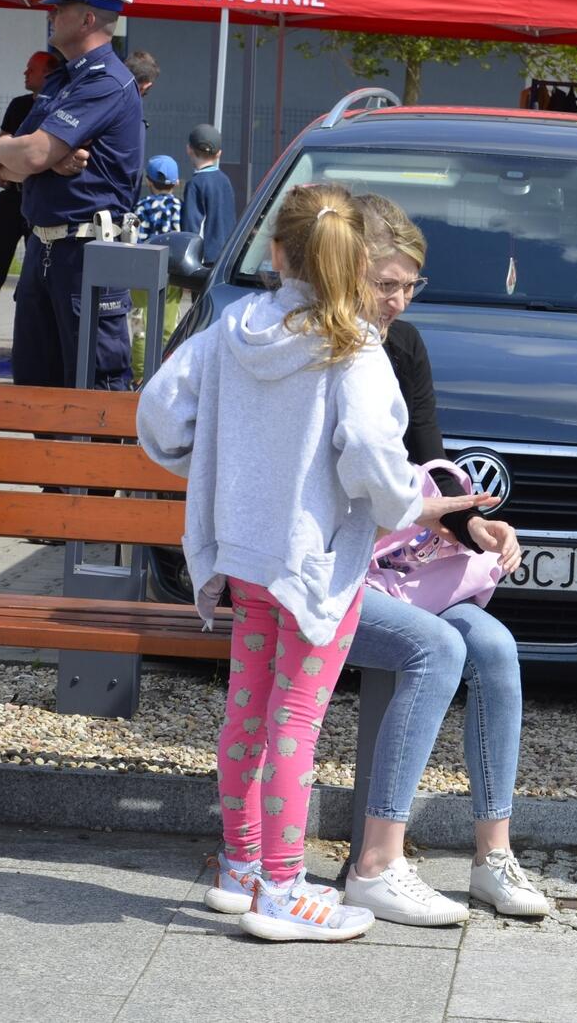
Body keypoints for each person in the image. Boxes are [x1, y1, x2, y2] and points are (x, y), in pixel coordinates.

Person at [135, 184, 493, 942]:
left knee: (247, 710)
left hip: (243, 555)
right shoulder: (352, 348)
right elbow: (372, 459)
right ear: (354, 260)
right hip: (315, 565)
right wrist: (409, 505)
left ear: (276, 252)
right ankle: (284, 888)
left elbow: (160, 414)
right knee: (295, 719)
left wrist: (219, 464)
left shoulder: (234, 328)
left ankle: (241, 869)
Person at [339, 192, 549, 925]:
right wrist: (427, 514)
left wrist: (474, 525)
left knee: (495, 647)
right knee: (437, 649)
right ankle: (378, 861)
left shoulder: (402, 346)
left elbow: (429, 461)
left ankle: (492, 856)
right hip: (337, 569)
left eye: (409, 286)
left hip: (395, 568)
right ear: (347, 269)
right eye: (384, 284)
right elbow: (354, 488)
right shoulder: (329, 350)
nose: (397, 301)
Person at [0, 0, 143, 392]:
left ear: (87, 19)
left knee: (95, 390)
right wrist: (0, 150)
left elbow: (31, 153)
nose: (50, 13)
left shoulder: (106, 82)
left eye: (60, 7)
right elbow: (11, 162)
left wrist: (30, 157)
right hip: (43, 247)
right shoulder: (61, 80)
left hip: (86, 251)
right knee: (34, 387)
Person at [0, 50, 58, 337]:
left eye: (31, 69)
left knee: (36, 270)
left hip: (39, 202)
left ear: (48, 75)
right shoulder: (18, 105)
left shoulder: (58, 109)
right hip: (13, 198)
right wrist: (2, 168)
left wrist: (12, 163)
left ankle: (30, 337)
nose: (25, 74)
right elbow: (1, 149)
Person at [128, 154, 182, 380]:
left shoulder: (140, 206)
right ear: (176, 182)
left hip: (142, 269)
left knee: (141, 324)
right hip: (171, 271)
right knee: (169, 324)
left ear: (148, 181)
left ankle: (140, 376)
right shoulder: (179, 206)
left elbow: (131, 237)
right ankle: (166, 372)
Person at [182, 122, 235, 266]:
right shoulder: (225, 180)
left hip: (205, 260)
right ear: (218, 154)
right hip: (227, 256)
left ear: (189, 149)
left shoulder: (195, 184)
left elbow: (191, 227)